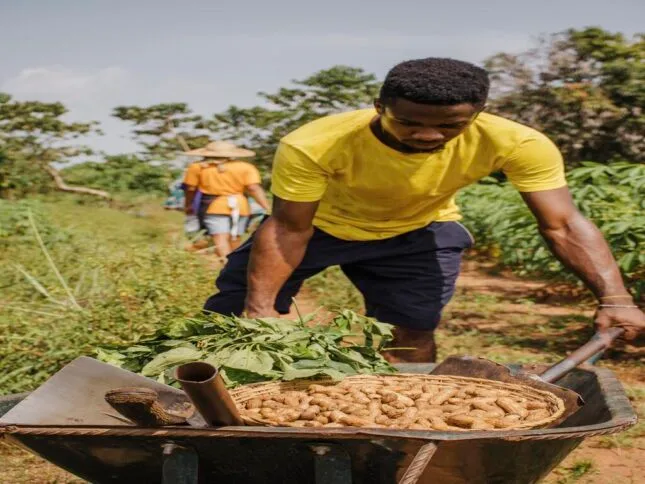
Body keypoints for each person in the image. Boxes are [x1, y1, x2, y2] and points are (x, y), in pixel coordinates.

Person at [203, 58, 645, 362]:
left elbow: (564, 224)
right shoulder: (315, 143)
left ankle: (399, 435)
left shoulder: (517, 143)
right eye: (410, 123)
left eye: (450, 126)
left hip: (416, 233)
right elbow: (287, 229)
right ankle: (222, 413)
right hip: (320, 227)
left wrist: (616, 299)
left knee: (411, 333)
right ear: (379, 107)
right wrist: (260, 310)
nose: (429, 136)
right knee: (234, 316)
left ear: (478, 114)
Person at [183, 141, 270, 259]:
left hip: (214, 206)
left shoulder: (197, 167)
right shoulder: (246, 167)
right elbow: (253, 188)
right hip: (241, 206)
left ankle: (225, 264)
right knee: (235, 236)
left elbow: (191, 189)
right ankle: (235, 265)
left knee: (220, 238)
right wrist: (267, 207)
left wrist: (188, 205)